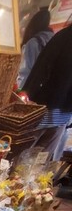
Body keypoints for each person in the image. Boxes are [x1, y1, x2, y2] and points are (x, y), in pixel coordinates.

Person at [22, 22, 72, 161]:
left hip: (44, 110)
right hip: (60, 114)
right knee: (40, 160)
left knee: (23, 157)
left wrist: (28, 92)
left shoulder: (63, 36)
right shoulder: (63, 36)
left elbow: (41, 67)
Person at [17, 8, 54, 88]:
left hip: (31, 89)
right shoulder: (54, 39)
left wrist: (19, 90)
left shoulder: (33, 43)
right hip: (48, 87)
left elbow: (25, 72)